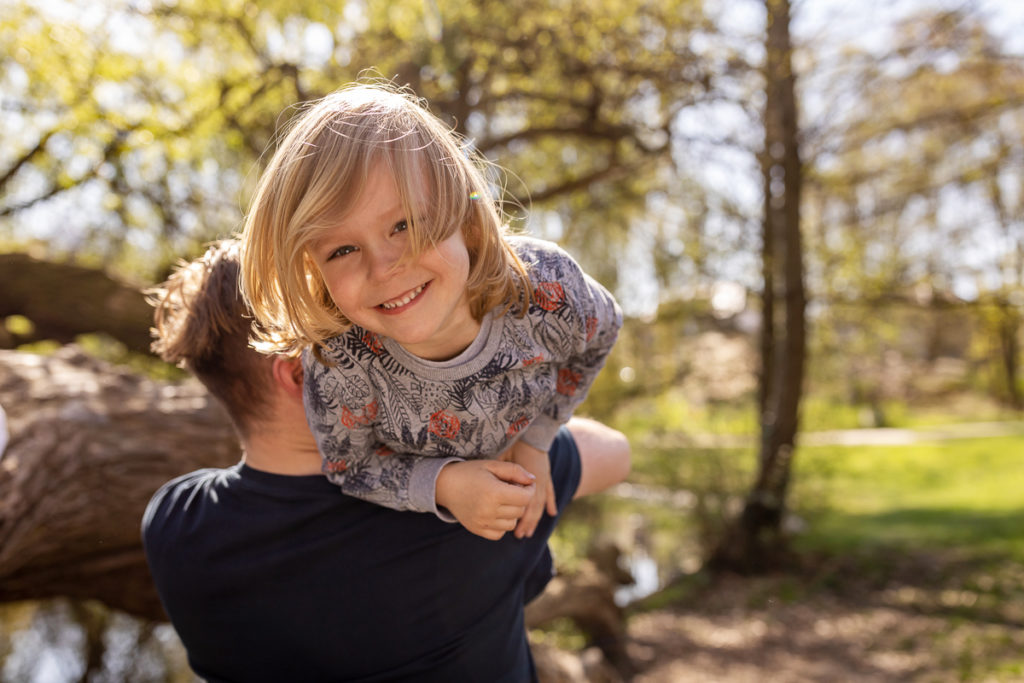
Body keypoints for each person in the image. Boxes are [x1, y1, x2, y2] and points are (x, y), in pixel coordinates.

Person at [142, 239, 630, 682]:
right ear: (298, 375)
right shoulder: (462, 504)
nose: (379, 344)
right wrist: (523, 438)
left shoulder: (172, 524)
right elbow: (615, 454)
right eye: (353, 339)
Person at [240, 81, 623, 541]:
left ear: (465, 217)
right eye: (342, 249)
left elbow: (603, 331)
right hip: (417, 537)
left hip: (521, 509)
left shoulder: (546, 290)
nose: (383, 268)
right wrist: (443, 485)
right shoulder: (342, 362)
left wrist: (538, 439)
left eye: (404, 224)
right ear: (314, 271)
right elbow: (351, 466)